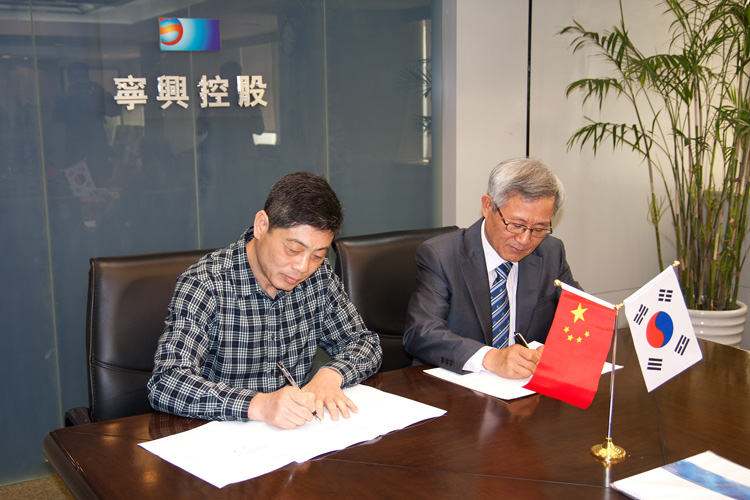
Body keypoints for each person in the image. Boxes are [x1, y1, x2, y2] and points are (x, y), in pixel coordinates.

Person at [147, 172, 383, 428]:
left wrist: (331, 375)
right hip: (224, 436)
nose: (302, 267)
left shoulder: (319, 277)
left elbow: (365, 343)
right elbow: (167, 382)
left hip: (296, 434)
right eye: (293, 249)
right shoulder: (206, 283)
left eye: (317, 255)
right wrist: (259, 405)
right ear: (261, 225)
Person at [403, 157, 580, 379]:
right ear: (488, 206)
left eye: (538, 229)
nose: (525, 240)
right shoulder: (440, 256)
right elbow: (421, 333)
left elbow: (583, 318)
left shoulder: (551, 252)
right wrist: (491, 358)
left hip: (524, 386)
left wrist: (558, 348)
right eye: (516, 225)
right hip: (453, 387)